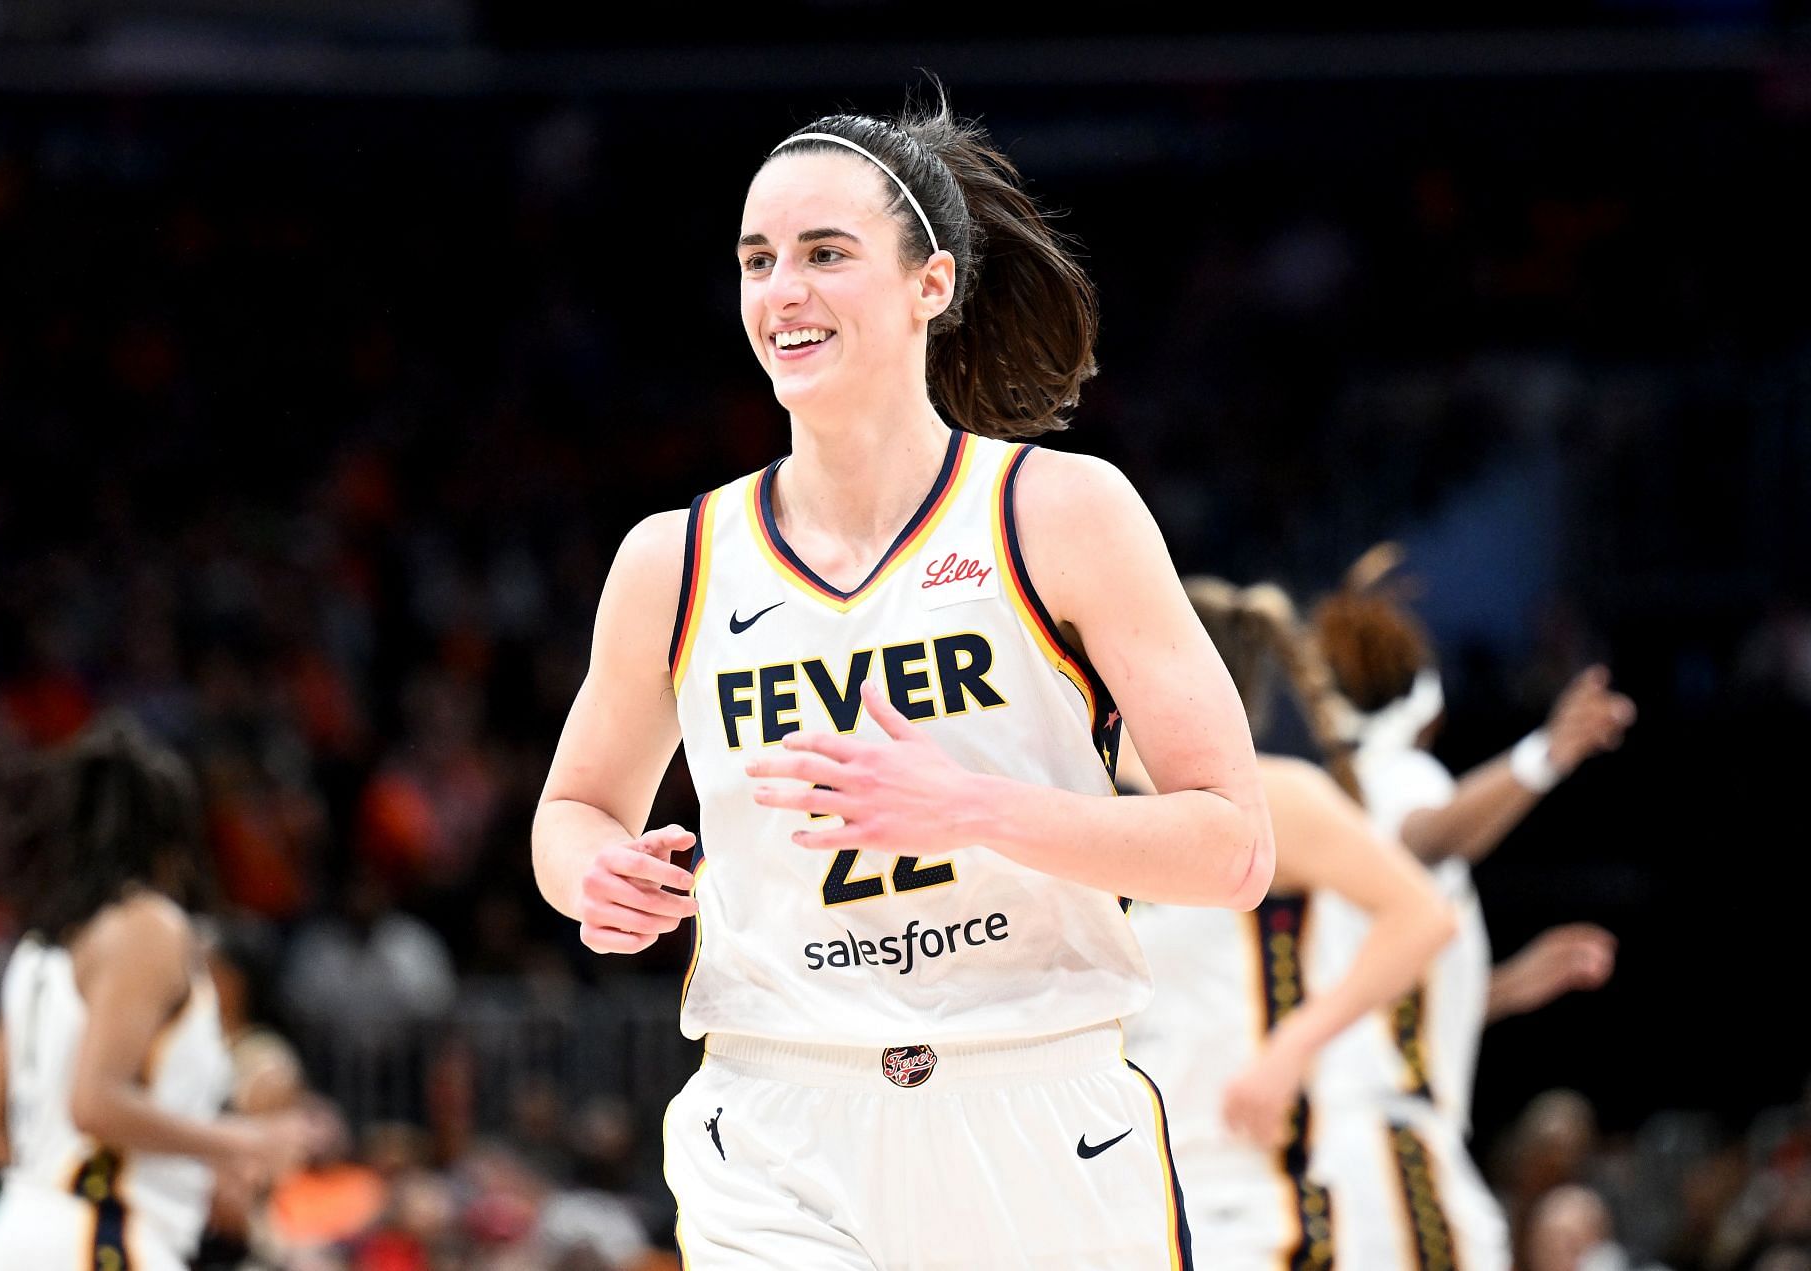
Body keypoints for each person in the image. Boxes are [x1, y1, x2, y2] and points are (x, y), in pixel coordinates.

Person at [532, 92, 1275, 1268]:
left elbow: (1234, 848)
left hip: (1035, 1095)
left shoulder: (1061, 511)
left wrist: (972, 806)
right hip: (777, 1111)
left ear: (931, 283)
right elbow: (571, 811)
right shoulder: (671, 559)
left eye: (826, 253)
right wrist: (595, 875)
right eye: (757, 259)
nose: (784, 290)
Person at [1302, 545, 1636, 1271]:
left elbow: (1389, 1003)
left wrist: (1511, 985)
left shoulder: (1332, 799)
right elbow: (1432, 835)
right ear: (1427, 702)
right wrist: (1545, 754)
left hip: (1343, 1140)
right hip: (1390, 1140)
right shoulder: (1395, 777)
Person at [1118, 578, 1457, 1271]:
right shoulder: (1087, 801)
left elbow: (1423, 915)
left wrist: (1292, 1048)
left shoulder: (1275, 796)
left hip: (1254, 1182)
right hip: (1127, 1182)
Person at [0, 712, 315, 1271]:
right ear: (173, 834)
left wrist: (139, 1175)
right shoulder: (148, 925)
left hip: (18, 1235)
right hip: (98, 1241)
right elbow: (95, 1101)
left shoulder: (39, 950)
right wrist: (243, 1141)